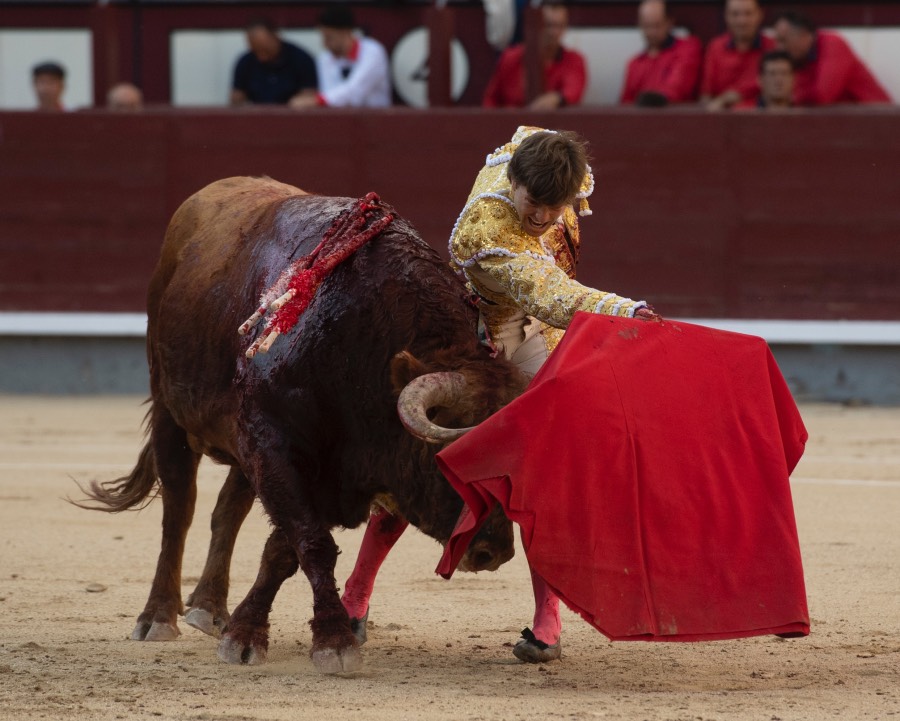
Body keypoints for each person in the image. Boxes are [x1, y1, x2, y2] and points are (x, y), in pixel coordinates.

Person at [341, 126, 656, 663]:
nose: (539, 219)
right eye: (532, 204)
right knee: (425, 463)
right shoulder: (487, 231)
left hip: (539, 334)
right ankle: (355, 596)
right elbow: (553, 293)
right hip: (483, 339)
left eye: (552, 209)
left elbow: (538, 137)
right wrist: (626, 311)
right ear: (511, 182)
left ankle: (547, 619)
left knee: (543, 473)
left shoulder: (553, 168)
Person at [482, 1, 587, 110]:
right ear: (537, 25)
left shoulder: (573, 60)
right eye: (548, 25)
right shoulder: (511, 58)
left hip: (552, 125)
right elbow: (491, 100)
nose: (553, 33)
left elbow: (573, 92)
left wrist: (557, 98)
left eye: (559, 26)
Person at [772, 11, 891, 106]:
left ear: (803, 35)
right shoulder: (799, 61)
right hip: (843, 125)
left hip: (878, 122)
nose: (779, 48)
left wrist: (788, 98)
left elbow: (823, 95)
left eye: (783, 40)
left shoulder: (832, 43)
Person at [291, 4, 391, 109]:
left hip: (376, 121)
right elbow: (331, 94)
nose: (325, 44)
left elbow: (355, 90)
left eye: (329, 37)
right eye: (323, 36)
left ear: (346, 32)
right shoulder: (325, 58)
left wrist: (317, 100)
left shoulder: (373, 51)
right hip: (340, 121)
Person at [620, 0, 702, 106]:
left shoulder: (688, 48)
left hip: (678, 119)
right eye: (646, 26)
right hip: (640, 120)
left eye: (656, 26)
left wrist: (651, 101)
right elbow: (625, 104)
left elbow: (678, 89)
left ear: (669, 22)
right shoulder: (634, 64)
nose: (651, 32)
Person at [701, 0, 775, 111]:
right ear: (726, 16)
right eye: (735, 14)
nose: (742, 21)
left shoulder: (772, 47)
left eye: (748, 13)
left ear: (760, 15)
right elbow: (706, 94)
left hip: (763, 116)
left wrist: (738, 94)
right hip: (723, 118)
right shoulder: (715, 47)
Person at [230, 17, 318, 106]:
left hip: (292, 116)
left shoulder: (301, 59)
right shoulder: (245, 62)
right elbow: (236, 100)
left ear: (276, 36)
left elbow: (309, 96)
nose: (262, 56)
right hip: (257, 116)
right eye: (256, 50)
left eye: (265, 49)